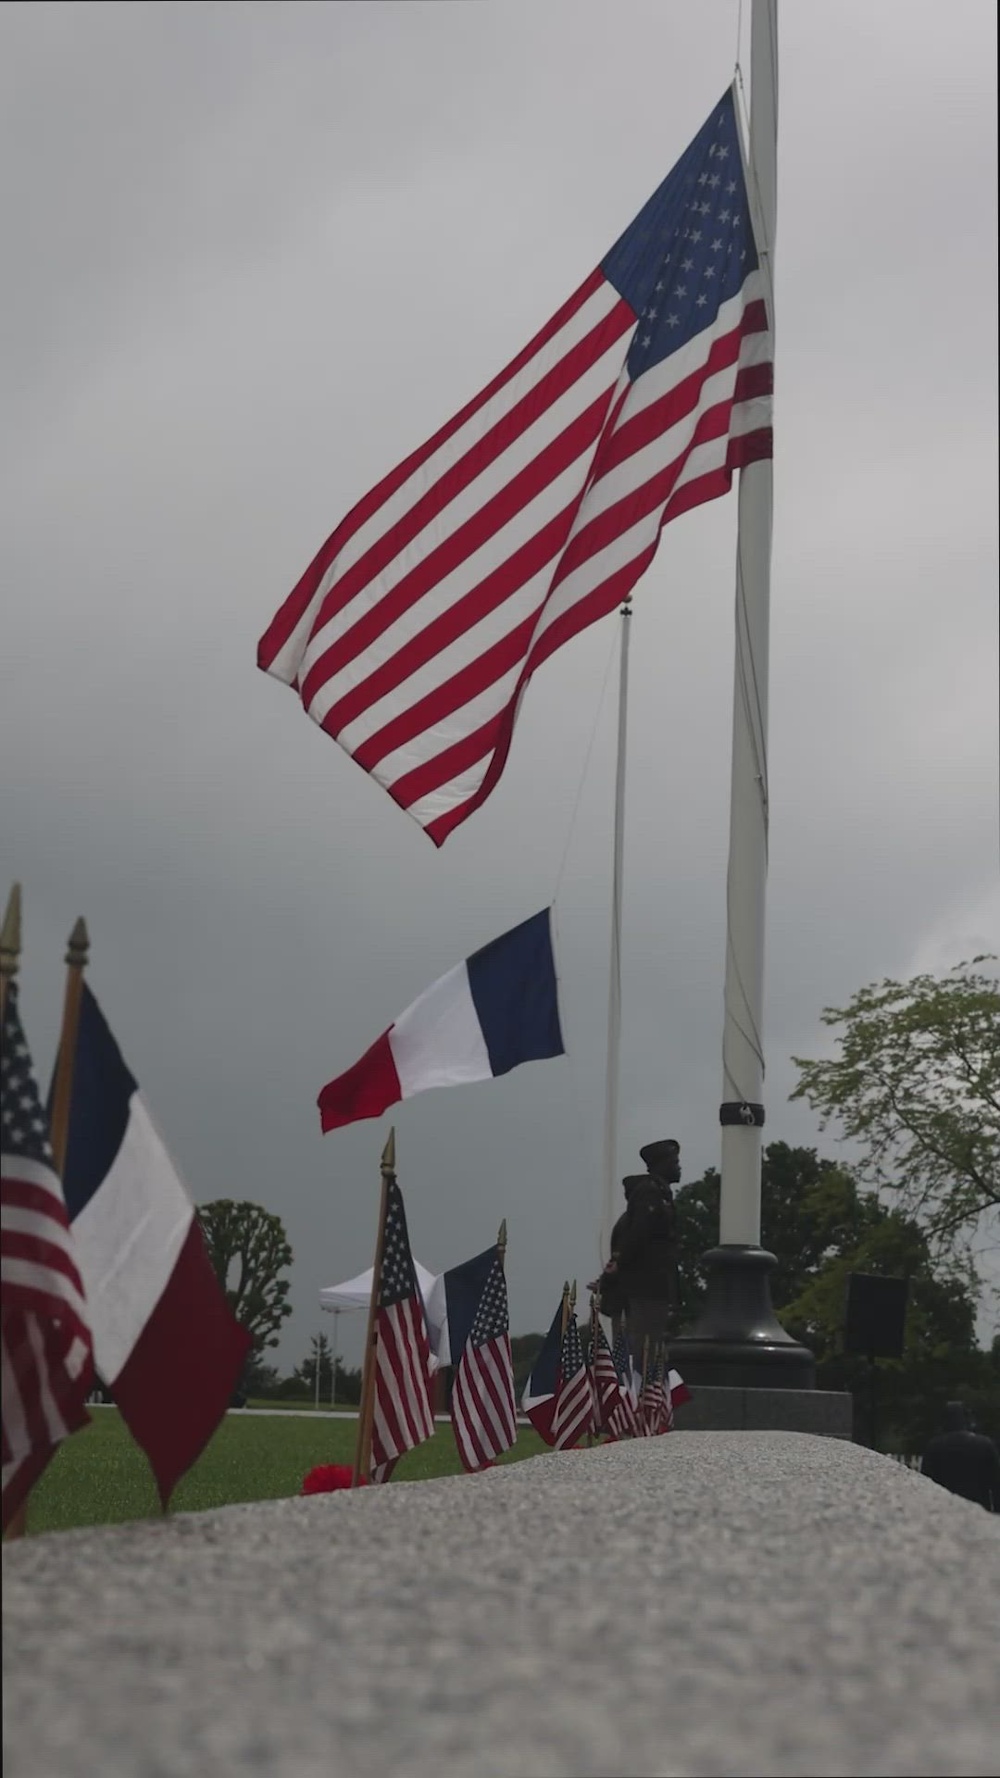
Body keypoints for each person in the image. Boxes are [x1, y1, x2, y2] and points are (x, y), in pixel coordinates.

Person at [920, 1402, 1000, 1512]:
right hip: (979, 1508)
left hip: (945, 1509)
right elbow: (996, 1482)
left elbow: (925, 1481)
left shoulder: (934, 1446)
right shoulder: (985, 1444)